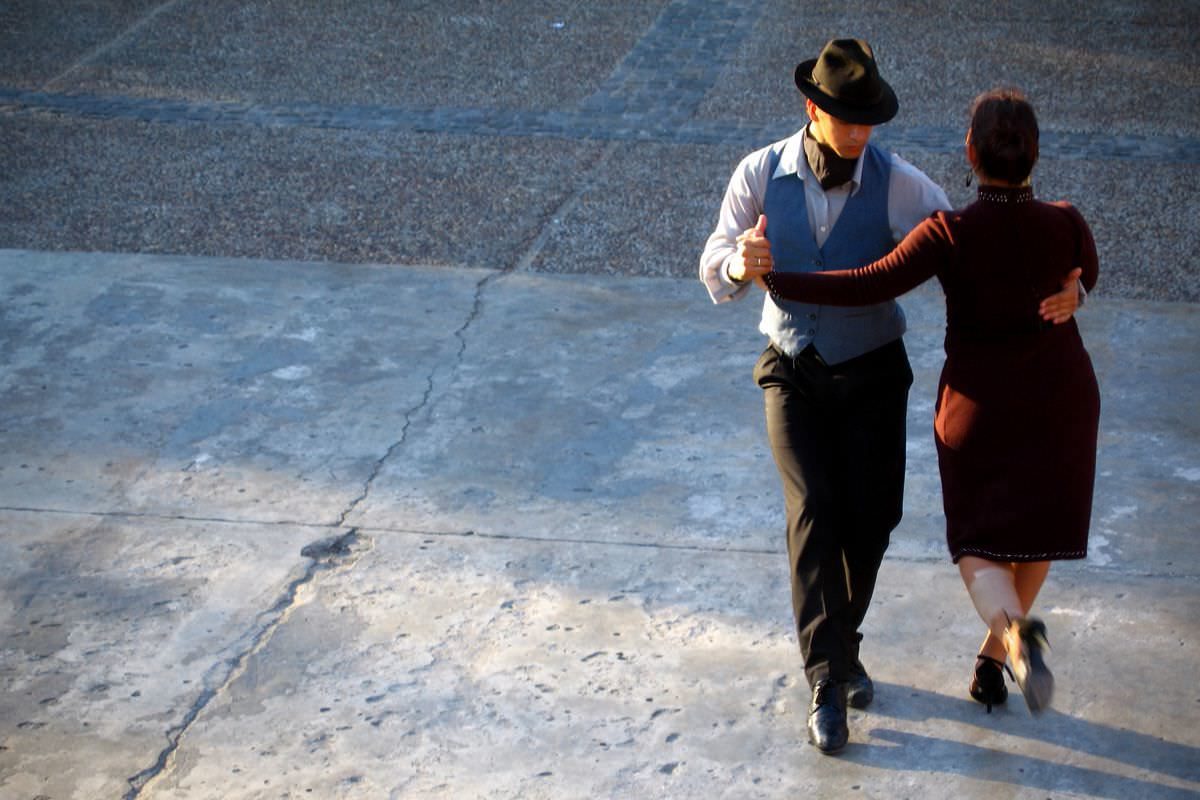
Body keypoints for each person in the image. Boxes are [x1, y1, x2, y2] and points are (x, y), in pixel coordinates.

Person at [699, 40, 1080, 755]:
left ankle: (842, 646)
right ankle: (826, 681)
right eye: (847, 118)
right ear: (813, 110)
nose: (861, 132)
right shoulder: (759, 172)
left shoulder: (902, 184)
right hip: (791, 367)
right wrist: (736, 262)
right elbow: (714, 264)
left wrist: (1070, 287)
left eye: (869, 119)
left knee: (873, 518)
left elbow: (977, 244)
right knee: (812, 508)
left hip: (874, 369)